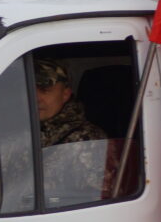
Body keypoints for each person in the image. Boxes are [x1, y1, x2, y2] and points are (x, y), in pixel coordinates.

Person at [34, 57, 111, 204]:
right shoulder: (13, 134)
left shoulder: (87, 139)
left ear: (65, 94)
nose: (36, 98)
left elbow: (95, 203)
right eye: (29, 89)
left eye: (45, 90)